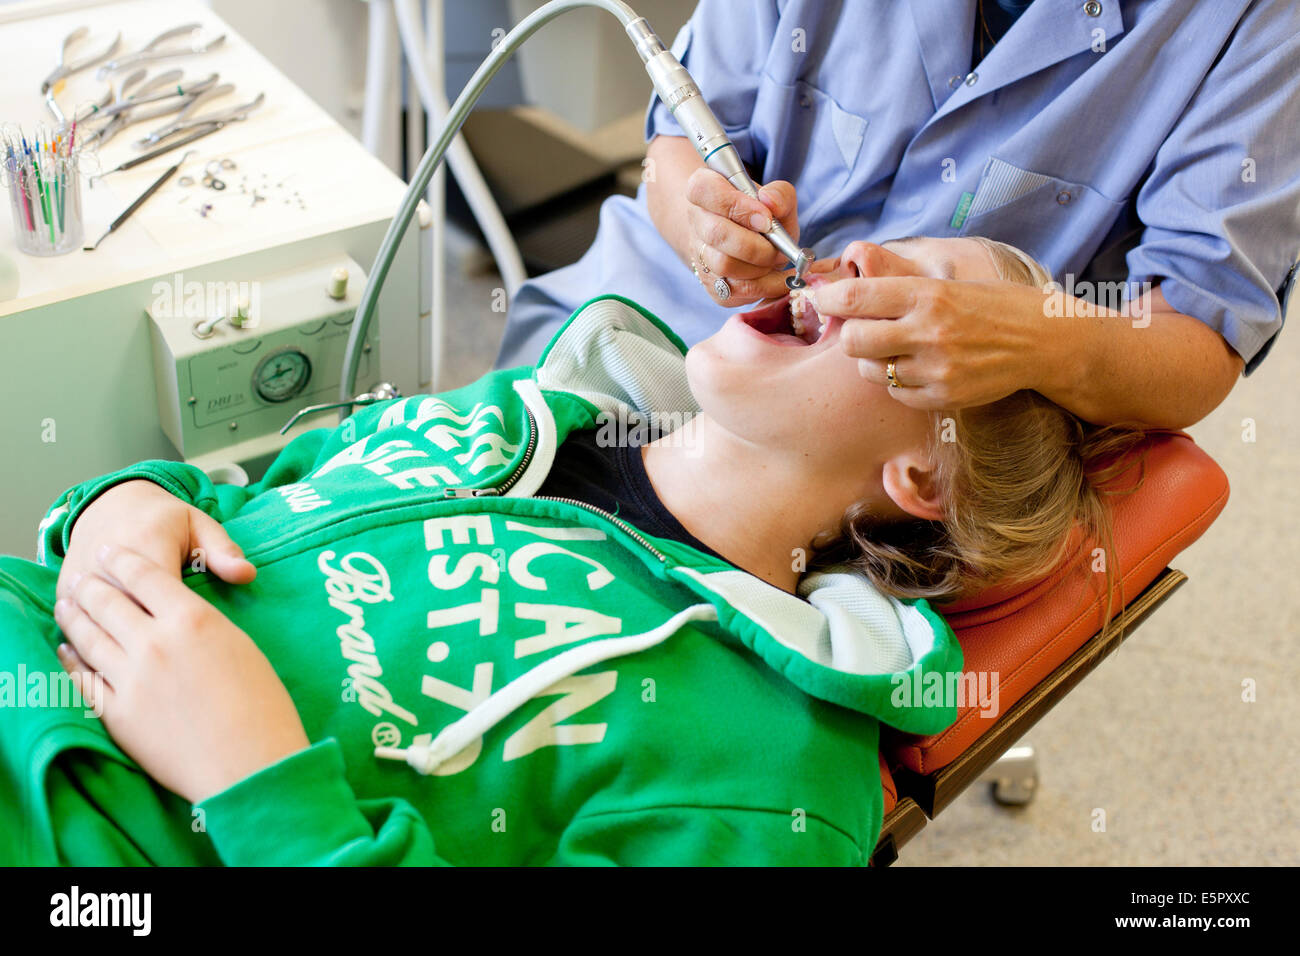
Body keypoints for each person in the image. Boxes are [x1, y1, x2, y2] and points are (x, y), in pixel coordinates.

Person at [1, 236, 1141, 866]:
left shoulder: (773, 773)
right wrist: (127, 502)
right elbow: (240, 491)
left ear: (924, 475)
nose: (860, 255)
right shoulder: (508, 410)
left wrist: (256, 780)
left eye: (924, 297)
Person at [496, 0, 1300, 430]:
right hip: (617, 321)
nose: (860, 265)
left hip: (842, 426)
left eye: (940, 265)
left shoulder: (1257, 25)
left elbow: (1199, 327)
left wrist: (1035, 339)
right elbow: (683, 139)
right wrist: (705, 228)